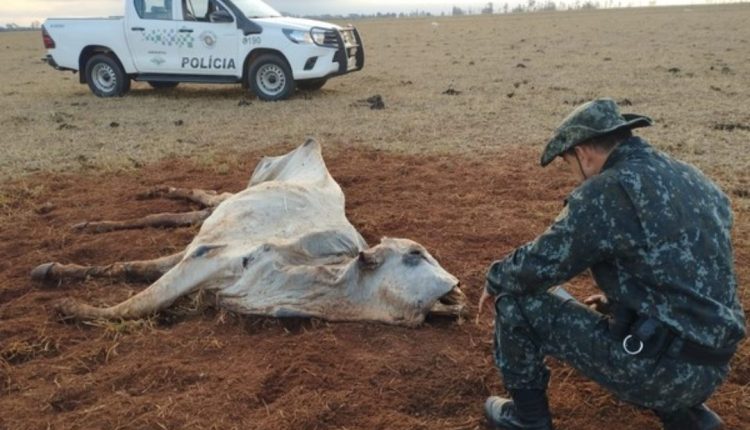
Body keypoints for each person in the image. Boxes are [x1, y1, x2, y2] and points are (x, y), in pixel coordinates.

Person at [476, 98, 746, 430]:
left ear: (583, 152)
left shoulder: (608, 191)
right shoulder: (692, 177)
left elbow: (538, 266)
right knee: (647, 333)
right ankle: (689, 415)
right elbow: (689, 268)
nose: (573, 174)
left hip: (662, 371)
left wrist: (496, 277)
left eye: (567, 162)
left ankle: (528, 419)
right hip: (714, 365)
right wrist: (620, 304)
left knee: (516, 301)